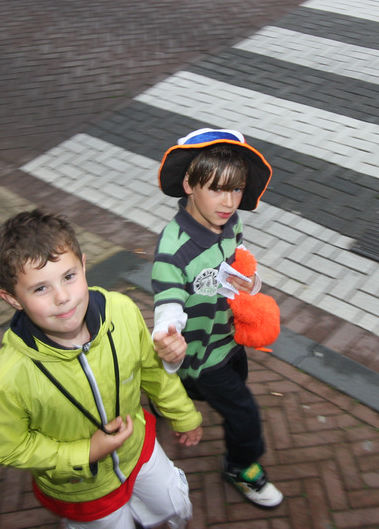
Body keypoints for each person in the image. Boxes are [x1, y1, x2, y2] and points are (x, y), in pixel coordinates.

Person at [0, 210, 203, 529]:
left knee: (172, 503)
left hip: (138, 449)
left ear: (84, 266)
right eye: (40, 289)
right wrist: (85, 453)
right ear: (13, 299)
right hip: (82, 489)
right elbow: (7, 448)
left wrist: (183, 415)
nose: (62, 297)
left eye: (69, 277)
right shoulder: (5, 380)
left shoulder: (122, 311)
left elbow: (153, 372)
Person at [150, 128, 283, 508]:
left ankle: (164, 397)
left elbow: (239, 255)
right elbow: (167, 300)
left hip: (227, 337)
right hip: (200, 353)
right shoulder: (173, 250)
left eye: (237, 189)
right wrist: (167, 332)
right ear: (189, 185)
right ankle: (241, 466)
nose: (229, 202)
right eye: (217, 189)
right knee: (244, 412)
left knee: (229, 383)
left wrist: (251, 280)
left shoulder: (231, 221)